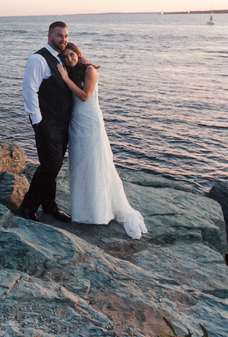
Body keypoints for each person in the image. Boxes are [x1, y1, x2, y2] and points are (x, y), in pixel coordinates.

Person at [56, 42, 147, 239]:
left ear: (78, 54)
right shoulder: (72, 72)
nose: (69, 59)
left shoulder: (89, 71)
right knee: (80, 165)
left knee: (95, 164)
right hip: (76, 124)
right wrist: (65, 75)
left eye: (72, 55)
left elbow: (84, 96)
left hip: (90, 123)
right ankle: (82, 210)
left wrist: (64, 78)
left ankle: (98, 211)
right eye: (65, 57)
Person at [20, 21, 73, 222]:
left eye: (66, 36)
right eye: (60, 35)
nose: (63, 39)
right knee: (50, 165)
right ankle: (27, 207)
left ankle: (49, 206)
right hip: (46, 123)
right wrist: (37, 121)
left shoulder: (61, 58)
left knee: (54, 165)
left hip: (62, 123)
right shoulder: (38, 59)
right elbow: (29, 90)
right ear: (50, 35)